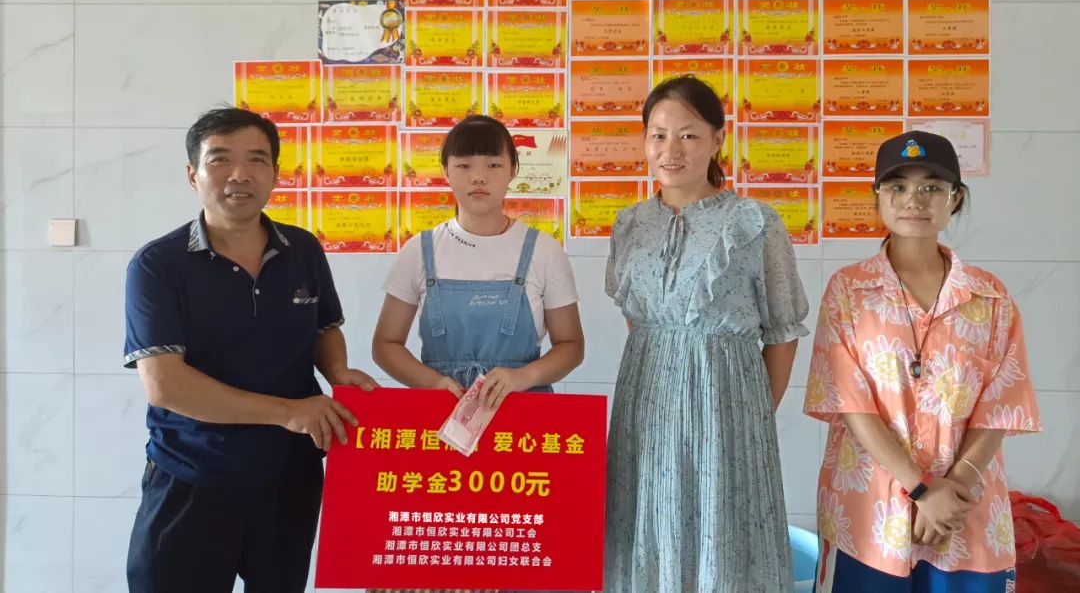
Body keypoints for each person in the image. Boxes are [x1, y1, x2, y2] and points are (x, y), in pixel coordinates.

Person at [124, 107, 377, 593]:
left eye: (257, 160)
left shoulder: (302, 249)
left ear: (275, 174)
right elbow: (165, 385)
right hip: (193, 476)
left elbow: (323, 327)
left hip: (288, 479)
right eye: (220, 159)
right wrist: (288, 412)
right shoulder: (157, 265)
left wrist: (339, 371)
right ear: (193, 174)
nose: (240, 174)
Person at [804, 130, 1041, 592]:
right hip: (870, 511)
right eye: (898, 186)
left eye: (932, 187)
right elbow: (850, 404)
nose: (914, 199)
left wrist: (952, 489)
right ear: (878, 197)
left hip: (964, 511)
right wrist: (920, 489)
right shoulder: (849, 292)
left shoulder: (989, 296)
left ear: (956, 198)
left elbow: (1002, 405)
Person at [604, 75, 810, 592]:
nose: (671, 150)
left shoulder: (754, 222)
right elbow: (640, 320)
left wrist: (751, 414)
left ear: (718, 139)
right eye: (658, 135)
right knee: (647, 526)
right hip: (645, 406)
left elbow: (782, 331)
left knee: (723, 537)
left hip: (726, 407)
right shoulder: (629, 224)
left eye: (689, 135)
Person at [373, 114, 584, 409]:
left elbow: (571, 345)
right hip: (440, 416)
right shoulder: (419, 250)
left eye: (493, 165)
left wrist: (523, 377)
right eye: (464, 165)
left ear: (513, 170)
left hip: (523, 419)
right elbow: (385, 344)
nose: (478, 177)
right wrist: (432, 382)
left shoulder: (544, 250)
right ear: (446, 170)